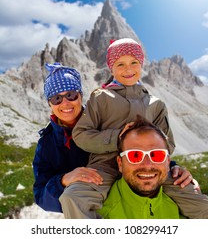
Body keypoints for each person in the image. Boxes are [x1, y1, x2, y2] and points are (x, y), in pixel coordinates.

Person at [59, 38, 207, 219]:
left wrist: (159, 154)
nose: (128, 69)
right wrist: (117, 138)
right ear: (111, 68)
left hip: (149, 166)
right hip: (105, 168)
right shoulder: (101, 98)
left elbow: (169, 145)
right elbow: (81, 134)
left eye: (134, 63)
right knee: (73, 197)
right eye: (120, 64)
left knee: (194, 196)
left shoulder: (155, 104)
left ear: (142, 64)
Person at [32, 63, 103, 212]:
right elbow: (40, 196)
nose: (65, 103)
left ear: (81, 96)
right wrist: (63, 180)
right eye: (57, 98)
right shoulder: (46, 143)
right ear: (49, 104)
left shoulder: (102, 124)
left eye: (71, 95)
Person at [98, 115, 186, 218]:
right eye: (135, 155)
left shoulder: (184, 210)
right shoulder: (95, 214)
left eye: (157, 155)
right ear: (120, 163)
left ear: (168, 162)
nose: (147, 165)